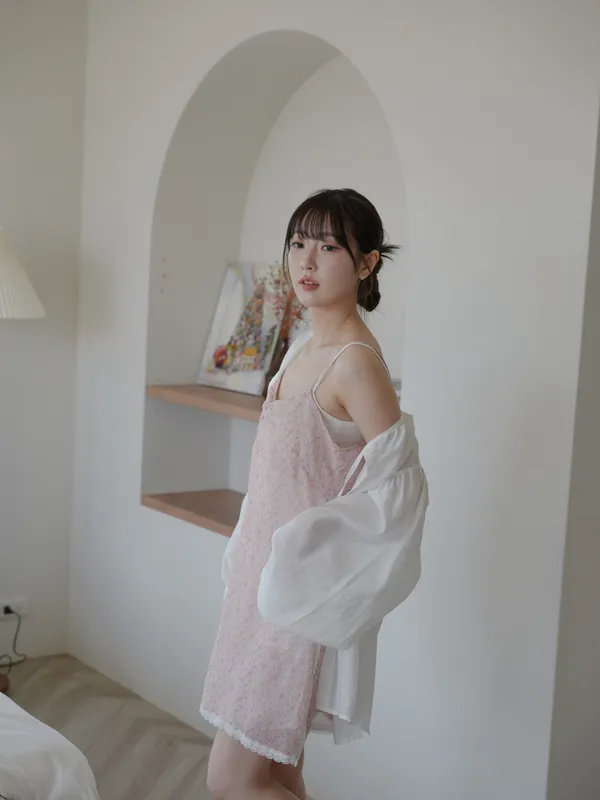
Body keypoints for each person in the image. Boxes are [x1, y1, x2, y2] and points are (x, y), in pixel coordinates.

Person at [202, 189, 428, 799]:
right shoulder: (303, 348)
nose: (306, 260)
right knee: (275, 772)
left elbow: (398, 491)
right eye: (298, 243)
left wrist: (310, 552)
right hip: (256, 586)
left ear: (366, 263)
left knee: (231, 780)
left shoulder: (355, 363)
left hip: (293, 598)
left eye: (328, 247)